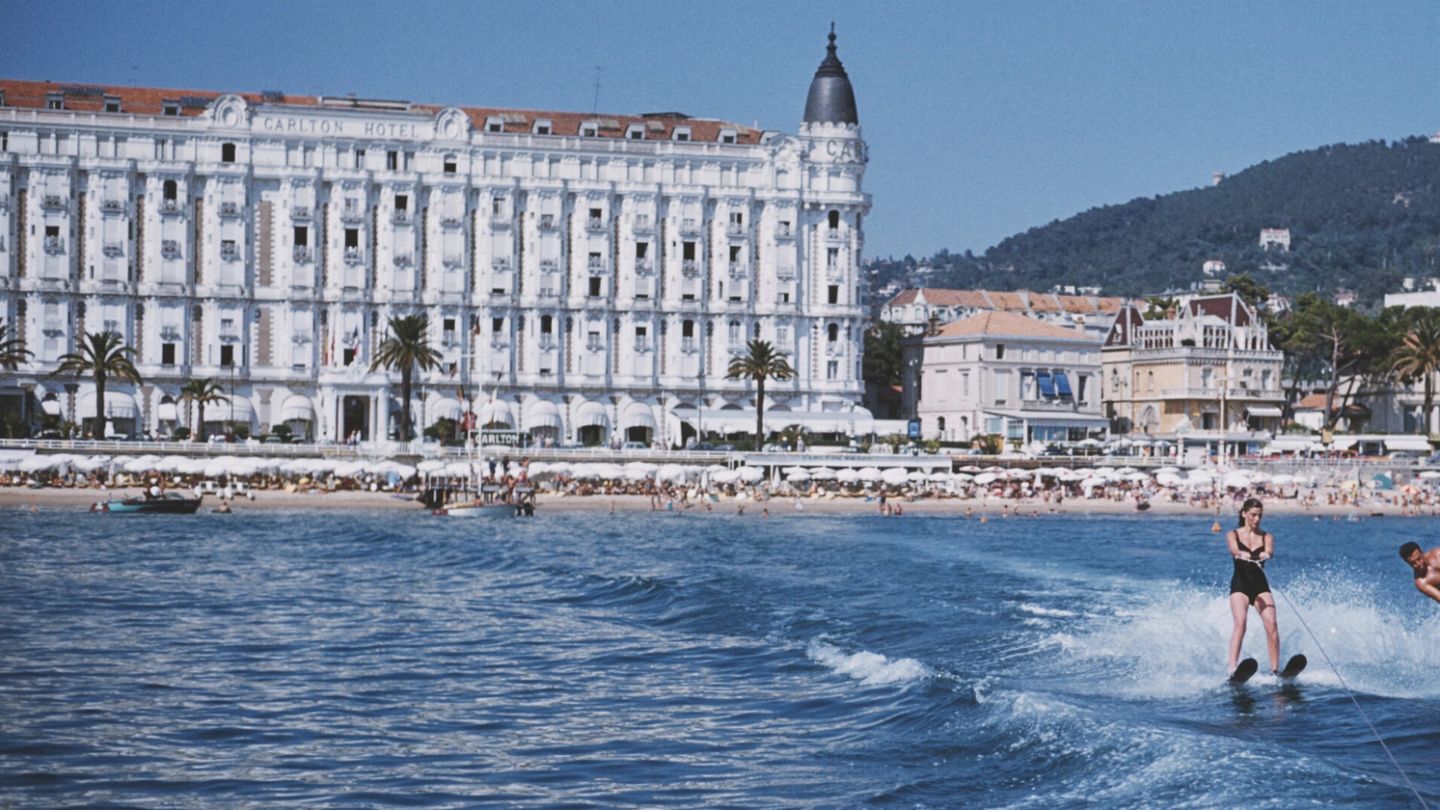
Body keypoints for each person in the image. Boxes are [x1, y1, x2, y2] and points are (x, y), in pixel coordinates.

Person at [1227, 497, 1281, 675]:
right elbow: (1234, 549)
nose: (1257, 519)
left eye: (1260, 516)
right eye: (1253, 515)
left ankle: (1275, 669)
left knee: (1271, 623)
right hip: (1240, 586)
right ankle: (1232, 668)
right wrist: (1239, 553)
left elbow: (1270, 551)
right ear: (1244, 514)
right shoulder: (1233, 534)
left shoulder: (1266, 536)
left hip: (1260, 586)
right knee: (1240, 623)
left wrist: (1266, 554)